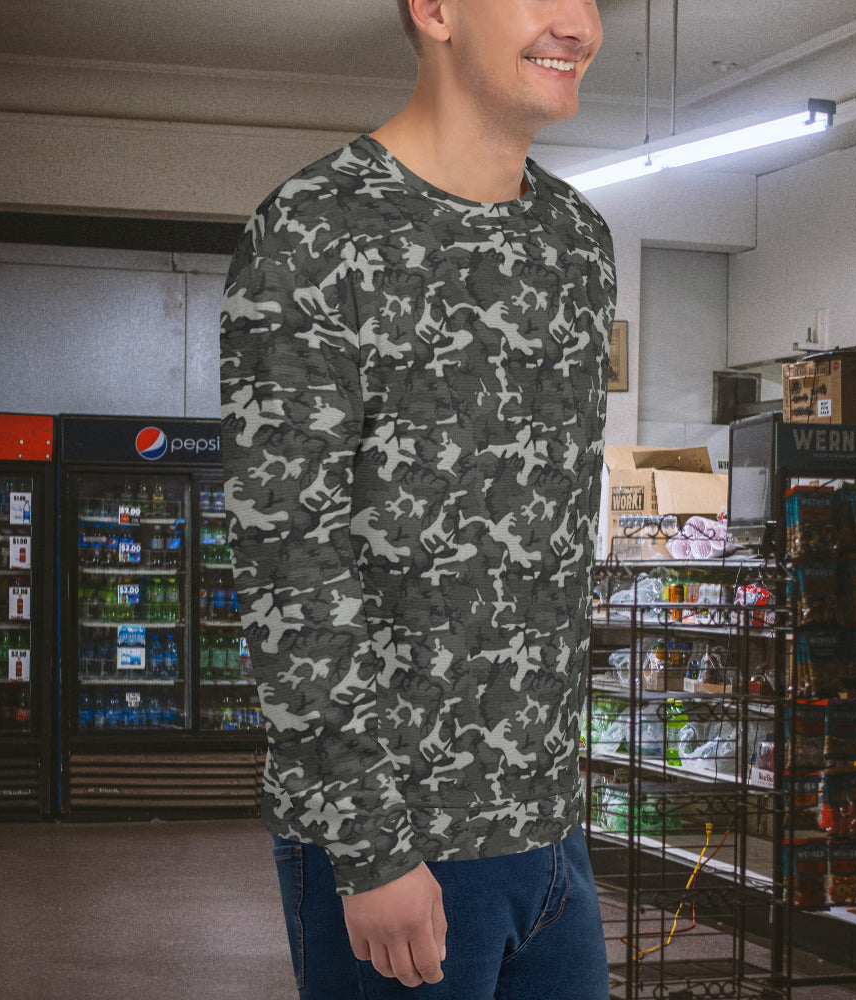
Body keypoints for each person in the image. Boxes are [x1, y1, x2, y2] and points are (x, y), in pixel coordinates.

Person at [220, 1, 616, 996]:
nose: (577, 22)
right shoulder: (316, 229)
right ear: (434, 9)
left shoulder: (578, 241)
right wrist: (372, 847)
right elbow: (288, 566)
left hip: (553, 836)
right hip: (397, 846)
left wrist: (563, 810)